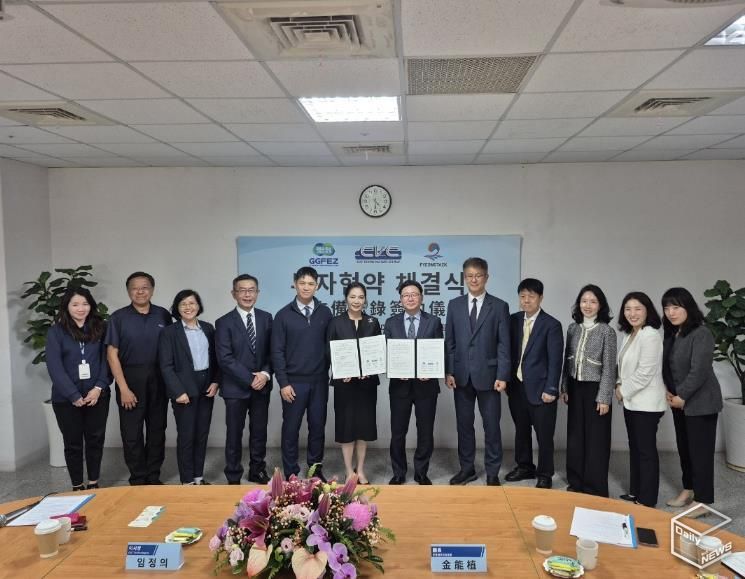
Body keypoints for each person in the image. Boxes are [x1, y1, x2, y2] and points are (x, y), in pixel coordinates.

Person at [445, 257, 511, 486]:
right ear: (464, 278)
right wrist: (449, 371)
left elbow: (504, 344)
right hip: (461, 376)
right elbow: (450, 342)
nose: (474, 280)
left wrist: (503, 375)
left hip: (490, 377)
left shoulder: (499, 306)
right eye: (469, 276)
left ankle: (492, 472)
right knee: (464, 426)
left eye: (478, 275)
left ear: (486, 277)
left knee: (491, 426)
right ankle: (467, 469)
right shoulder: (454, 305)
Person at [105, 271, 171, 485]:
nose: (140, 291)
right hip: (130, 379)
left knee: (157, 430)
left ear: (152, 290)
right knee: (131, 433)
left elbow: (173, 348)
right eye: (135, 288)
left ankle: (153, 476)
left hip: (159, 379)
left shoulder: (163, 315)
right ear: (128, 291)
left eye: (145, 287)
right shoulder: (118, 317)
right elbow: (112, 354)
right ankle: (138, 478)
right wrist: (123, 388)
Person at [662, 287, 723, 509]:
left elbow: (700, 370)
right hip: (679, 403)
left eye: (676, 307)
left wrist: (682, 395)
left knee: (700, 454)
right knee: (685, 450)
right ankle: (688, 490)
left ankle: (702, 502)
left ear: (688, 307)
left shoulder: (701, 333)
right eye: (667, 308)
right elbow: (669, 367)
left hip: (701, 403)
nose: (671, 312)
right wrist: (669, 391)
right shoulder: (673, 333)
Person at [46, 286, 110, 491]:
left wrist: (99, 387)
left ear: (91, 305)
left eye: (85, 304)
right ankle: (77, 485)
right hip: (66, 399)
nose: (81, 308)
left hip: (97, 395)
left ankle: (93, 482)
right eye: (75, 304)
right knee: (72, 443)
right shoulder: (56, 332)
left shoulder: (101, 328)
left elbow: (108, 360)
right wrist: (73, 394)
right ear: (67, 306)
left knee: (95, 440)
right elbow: (54, 366)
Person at [272, 267, 332, 481]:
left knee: (317, 427)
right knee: (291, 428)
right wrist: (283, 383)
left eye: (311, 283)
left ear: (317, 286)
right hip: (293, 383)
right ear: (295, 284)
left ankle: (315, 469)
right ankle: (291, 472)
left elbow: (332, 346)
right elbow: (277, 351)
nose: (306, 287)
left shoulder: (325, 313)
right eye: (302, 283)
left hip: (319, 381)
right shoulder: (283, 315)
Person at [215, 274, 273, 485]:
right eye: (242, 290)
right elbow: (225, 358)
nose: (247, 294)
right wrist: (250, 379)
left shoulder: (267, 318)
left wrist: (265, 374)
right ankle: (233, 475)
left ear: (257, 293)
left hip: (262, 386)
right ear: (234, 294)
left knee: (259, 432)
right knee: (234, 434)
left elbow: (273, 352)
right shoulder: (223, 322)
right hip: (235, 388)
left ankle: (257, 470)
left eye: (251, 290)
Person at [505, 278, 563, 489]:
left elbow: (555, 360)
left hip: (542, 389)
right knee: (521, 430)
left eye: (531, 296)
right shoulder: (512, 320)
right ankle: (524, 467)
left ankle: (545, 473)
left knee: (544, 435)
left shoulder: (552, 325)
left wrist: (551, 388)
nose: (526, 300)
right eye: (522, 296)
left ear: (540, 298)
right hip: (517, 387)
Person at [385, 280, 443, 486]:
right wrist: (394, 369)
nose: (410, 298)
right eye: (405, 295)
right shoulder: (391, 323)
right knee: (398, 432)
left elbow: (439, 351)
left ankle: (421, 472)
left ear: (421, 297)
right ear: (400, 300)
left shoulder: (434, 321)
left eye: (414, 294)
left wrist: (432, 372)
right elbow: (387, 353)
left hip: (426, 387)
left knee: (425, 431)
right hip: (399, 387)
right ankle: (399, 472)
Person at [560, 284, 616, 497]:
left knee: (596, 440)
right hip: (575, 387)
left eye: (593, 301)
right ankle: (576, 481)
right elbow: (567, 360)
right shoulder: (572, 328)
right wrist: (565, 386)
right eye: (584, 301)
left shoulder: (607, 331)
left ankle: (594, 487)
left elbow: (609, 368)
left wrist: (604, 397)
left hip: (596, 389)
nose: (588, 305)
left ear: (600, 305)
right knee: (575, 436)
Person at [158, 290, 219, 485]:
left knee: (201, 434)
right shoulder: (169, 332)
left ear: (198, 306)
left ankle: (198, 477)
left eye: (192, 303)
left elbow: (216, 359)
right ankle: (187, 481)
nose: (188, 307)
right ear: (177, 308)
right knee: (187, 436)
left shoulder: (208, 328)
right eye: (183, 304)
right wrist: (178, 391)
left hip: (206, 387)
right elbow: (166, 365)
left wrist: (216, 381)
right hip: (183, 389)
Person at [614, 292, 667, 507]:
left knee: (645, 451)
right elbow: (624, 367)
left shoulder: (650, 335)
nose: (632, 313)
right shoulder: (630, 334)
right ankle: (636, 491)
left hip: (647, 404)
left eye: (638, 309)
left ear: (647, 311)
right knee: (635, 448)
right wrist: (618, 383)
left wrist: (622, 390)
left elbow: (645, 372)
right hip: (632, 402)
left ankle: (647, 499)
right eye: (628, 309)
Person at [326, 282, 381, 484]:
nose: (357, 301)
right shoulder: (335, 322)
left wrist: (370, 369)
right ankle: (349, 471)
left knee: (363, 428)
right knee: (347, 427)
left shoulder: (373, 322)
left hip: (366, 386)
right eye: (352, 297)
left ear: (365, 299)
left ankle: (361, 469)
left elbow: (377, 352)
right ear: (346, 299)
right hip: (345, 385)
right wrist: (341, 371)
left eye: (360, 297)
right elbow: (329, 351)